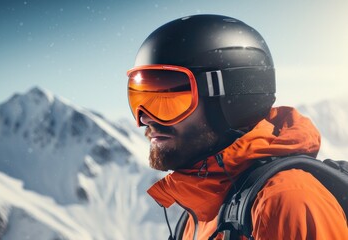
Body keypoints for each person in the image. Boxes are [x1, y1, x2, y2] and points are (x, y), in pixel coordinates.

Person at [126, 14, 348, 239]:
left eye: (170, 99)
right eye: (140, 98)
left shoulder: (285, 200)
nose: (146, 118)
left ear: (233, 100)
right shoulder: (200, 210)